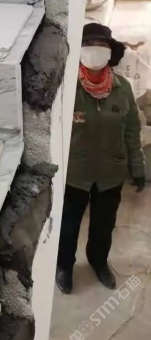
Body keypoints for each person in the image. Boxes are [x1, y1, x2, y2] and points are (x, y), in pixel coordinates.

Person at [56, 23, 146, 294]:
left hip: (110, 173)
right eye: (88, 44)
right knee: (68, 225)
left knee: (103, 226)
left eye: (101, 45)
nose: (95, 50)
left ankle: (98, 261)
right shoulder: (66, 87)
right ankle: (63, 266)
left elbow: (132, 131)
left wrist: (137, 167)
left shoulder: (122, 88)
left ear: (110, 52)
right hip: (74, 173)